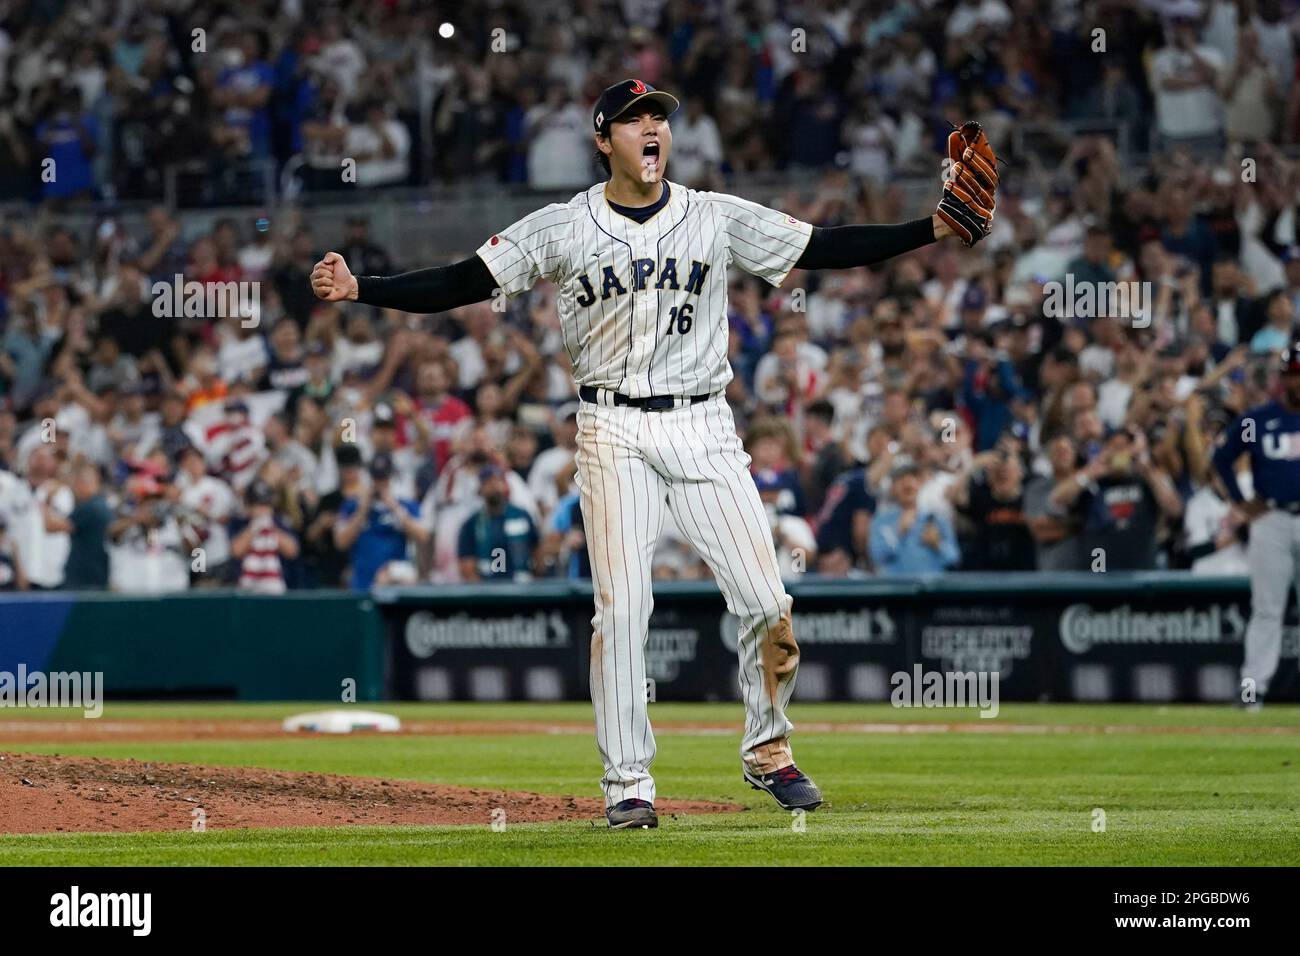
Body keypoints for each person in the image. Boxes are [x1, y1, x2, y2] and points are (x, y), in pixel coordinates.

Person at [311, 79, 999, 828]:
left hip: (704, 424)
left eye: (661, 119)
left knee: (769, 602)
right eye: (635, 119)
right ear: (604, 139)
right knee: (622, 611)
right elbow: (460, 283)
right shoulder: (563, 227)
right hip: (611, 429)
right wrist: (362, 290)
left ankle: (769, 752)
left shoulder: (711, 215)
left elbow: (822, 246)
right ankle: (628, 784)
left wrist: (932, 228)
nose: (652, 129)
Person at [1212, 342, 1300, 708]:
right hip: (1273, 518)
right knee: (1266, 609)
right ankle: (1252, 690)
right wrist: (1240, 502)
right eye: (1293, 375)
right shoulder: (1257, 421)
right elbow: (1222, 458)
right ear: (1282, 378)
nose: (1297, 382)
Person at [333, 452, 427, 589]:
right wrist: (362, 511)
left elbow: (422, 535)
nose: (380, 483)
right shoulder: (352, 505)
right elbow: (340, 542)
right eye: (376, 478)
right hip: (362, 584)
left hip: (395, 583)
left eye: (384, 478)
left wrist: (395, 508)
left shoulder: (405, 505)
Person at [869, 460, 961, 574]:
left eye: (913, 477)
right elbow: (877, 556)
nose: (907, 483)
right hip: (896, 588)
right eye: (900, 479)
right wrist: (898, 532)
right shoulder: (882, 521)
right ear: (892, 487)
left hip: (932, 588)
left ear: (920, 484)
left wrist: (937, 545)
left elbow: (954, 558)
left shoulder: (935, 518)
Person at [457, 464, 540, 582]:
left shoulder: (522, 515)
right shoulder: (472, 523)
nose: (494, 486)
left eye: (498, 481)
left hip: (522, 586)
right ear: (480, 488)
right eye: (488, 482)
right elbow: (467, 566)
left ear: (505, 486)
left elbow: (537, 551)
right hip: (487, 589)